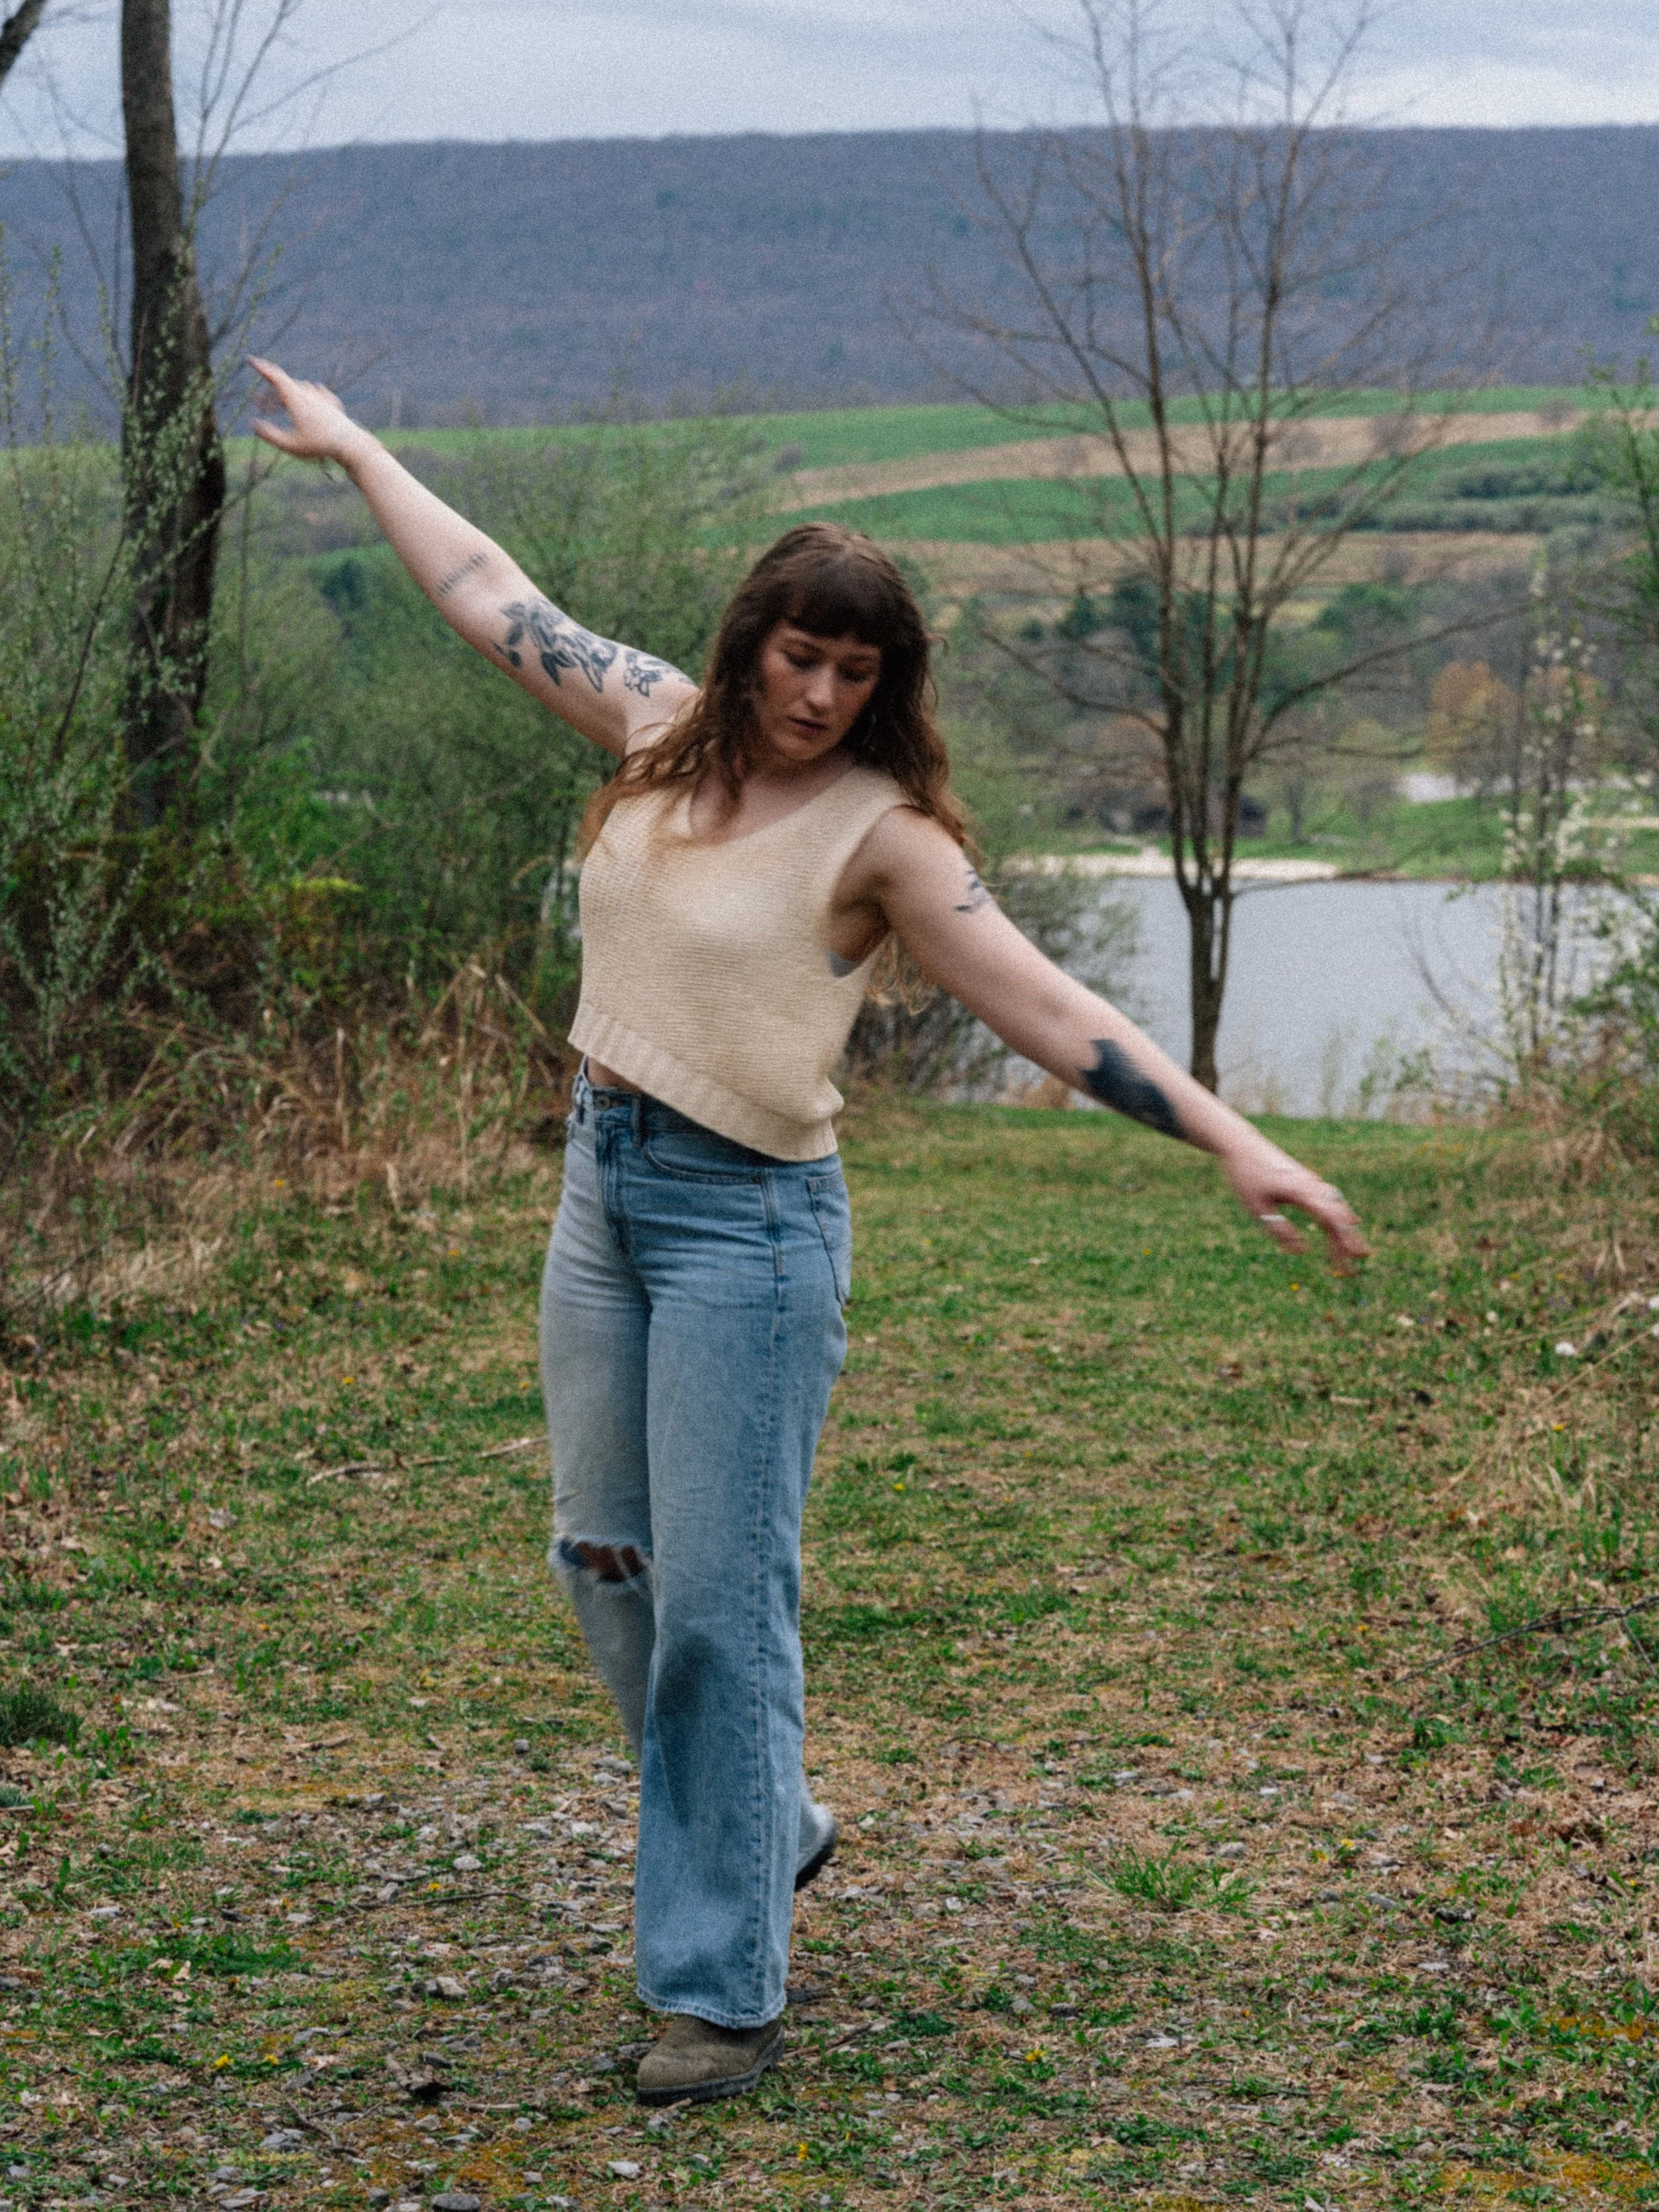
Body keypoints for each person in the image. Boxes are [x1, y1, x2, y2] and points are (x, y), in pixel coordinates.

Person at [250, 358, 1368, 2106]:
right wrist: (357, 448)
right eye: (799, 656)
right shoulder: (646, 726)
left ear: (884, 684)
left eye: (856, 672)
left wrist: (1232, 1140)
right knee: (598, 1560)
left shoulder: (889, 839)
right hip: (603, 1188)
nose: (820, 693)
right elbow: (492, 595)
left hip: (746, 1231)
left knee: (722, 1607)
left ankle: (718, 1985)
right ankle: (770, 1817)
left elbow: (1051, 1008)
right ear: (747, 639)